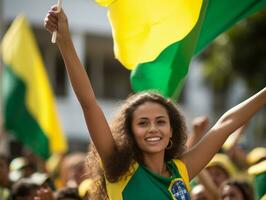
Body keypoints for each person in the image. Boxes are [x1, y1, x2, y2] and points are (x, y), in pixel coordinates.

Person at [44, 5, 266, 200]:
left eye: (160, 121)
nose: (153, 129)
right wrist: (65, 40)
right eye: (142, 123)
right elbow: (88, 102)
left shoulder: (181, 170)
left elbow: (226, 124)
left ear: (172, 130)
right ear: (129, 132)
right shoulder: (119, 170)